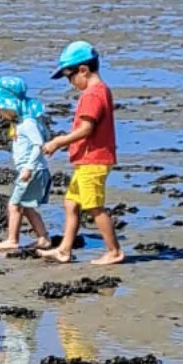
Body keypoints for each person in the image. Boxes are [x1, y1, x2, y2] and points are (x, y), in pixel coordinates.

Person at [37, 41, 124, 265]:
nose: (70, 82)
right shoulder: (100, 90)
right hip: (88, 160)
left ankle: (114, 251)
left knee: (94, 207)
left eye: (69, 76)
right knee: (71, 203)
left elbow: (87, 129)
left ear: (83, 70)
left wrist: (59, 141)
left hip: (93, 159)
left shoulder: (92, 95)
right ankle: (64, 249)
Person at [0, 76, 54, 253]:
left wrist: (28, 168)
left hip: (32, 170)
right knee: (27, 206)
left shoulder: (28, 123)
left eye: (1, 109)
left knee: (14, 205)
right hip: (34, 170)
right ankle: (43, 238)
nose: (0, 113)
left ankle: (12, 240)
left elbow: (39, 145)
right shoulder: (20, 122)